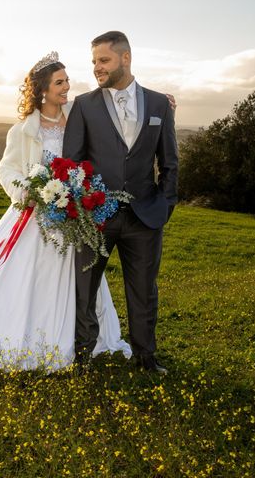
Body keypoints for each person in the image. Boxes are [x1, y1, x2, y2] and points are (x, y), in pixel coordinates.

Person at [0, 52, 132, 380]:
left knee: (81, 277)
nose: (68, 86)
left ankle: (82, 341)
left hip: (73, 214)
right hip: (34, 216)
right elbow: (6, 169)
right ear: (42, 90)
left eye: (67, 80)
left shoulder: (78, 116)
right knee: (24, 280)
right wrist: (27, 191)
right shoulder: (23, 130)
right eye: (60, 82)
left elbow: (114, 115)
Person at [62, 31, 179, 374]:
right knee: (85, 290)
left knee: (144, 291)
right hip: (96, 217)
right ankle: (82, 358)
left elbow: (169, 161)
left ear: (125, 58)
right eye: (94, 62)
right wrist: (83, 208)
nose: (97, 68)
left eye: (104, 60)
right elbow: (73, 163)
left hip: (145, 216)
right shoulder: (84, 105)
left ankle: (146, 358)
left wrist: (166, 202)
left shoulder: (159, 104)